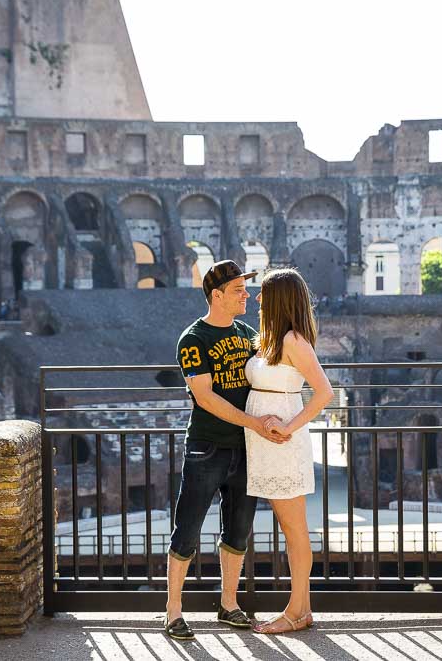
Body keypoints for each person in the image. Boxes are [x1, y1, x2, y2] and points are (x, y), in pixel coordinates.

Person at [165, 260, 289, 641]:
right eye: (238, 289)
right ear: (216, 295)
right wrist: (255, 422)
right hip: (207, 446)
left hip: (245, 449)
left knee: (238, 531)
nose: (246, 295)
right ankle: (172, 611)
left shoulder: (247, 333)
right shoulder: (193, 338)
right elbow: (204, 397)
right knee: (187, 529)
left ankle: (229, 604)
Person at [244, 268, 335, 634]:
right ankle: (304, 610)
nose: (259, 300)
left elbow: (324, 392)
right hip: (266, 442)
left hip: (283, 441)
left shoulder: (295, 340)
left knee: (295, 530)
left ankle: (295, 612)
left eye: (264, 294)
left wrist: (288, 426)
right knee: (288, 527)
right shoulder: (269, 340)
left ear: (278, 299)